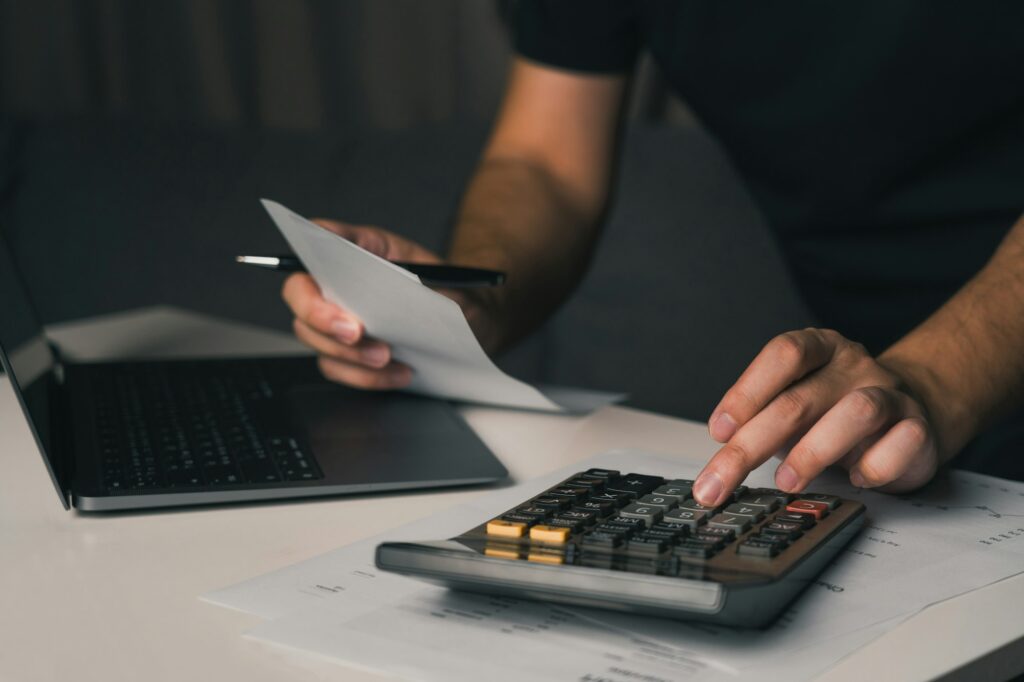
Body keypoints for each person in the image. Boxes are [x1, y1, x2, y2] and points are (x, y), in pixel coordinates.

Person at [281, 2, 1024, 507]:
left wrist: (932, 378)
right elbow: (544, 165)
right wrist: (469, 299)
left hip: (935, 389)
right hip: (878, 430)